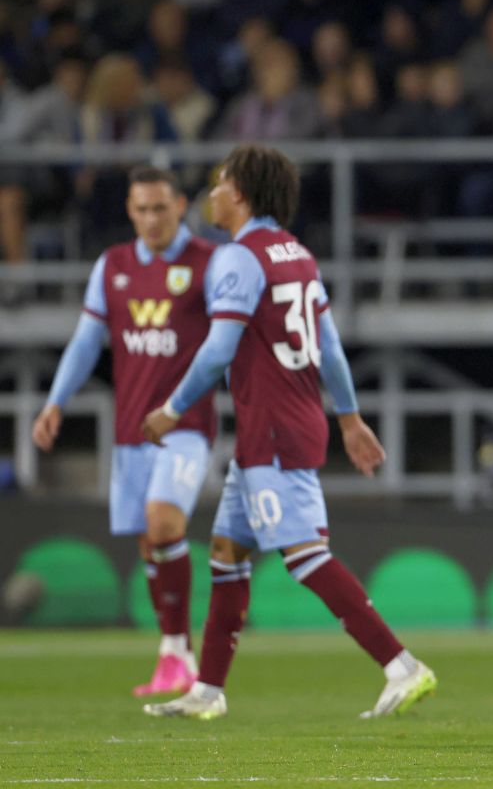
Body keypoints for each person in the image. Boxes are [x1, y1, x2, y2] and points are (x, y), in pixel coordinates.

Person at [140, 145, 434, 720]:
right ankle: (208, 690)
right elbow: (329, 348)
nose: (212, 192)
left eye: (220, 182)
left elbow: (219, 349)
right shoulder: (295, 253)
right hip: (283, 422)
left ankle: (401, 664)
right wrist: (347, 418)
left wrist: (172, 409)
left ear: (241, 194)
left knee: (305, 554)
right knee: (226, 553)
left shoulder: (238, 257)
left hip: (272, 428)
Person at [31, 167, 217, 696]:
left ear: (180, 205)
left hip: (186, 426)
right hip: (130, 431)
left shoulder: (207, 262)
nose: (151, 219)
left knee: (163, 522)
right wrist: (55, 402)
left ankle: (177, 650)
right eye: (141, 209)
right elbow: (87, 341)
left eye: (161, 208)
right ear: (130, 211)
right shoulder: (112, 266)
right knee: (148, 544)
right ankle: (174, 654)